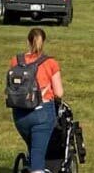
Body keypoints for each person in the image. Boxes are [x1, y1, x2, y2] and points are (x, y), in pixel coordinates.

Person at [9, 28, 64, 173]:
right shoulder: (50, 63)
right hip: (42, 114)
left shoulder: (16, 60)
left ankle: (31, 165)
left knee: (33, 147)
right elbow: (59, 92)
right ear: (43, 42)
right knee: (38, 155)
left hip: (19, 115)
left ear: (28, 41)